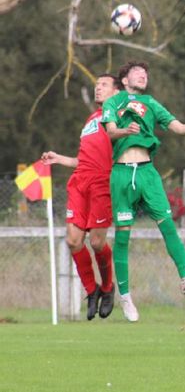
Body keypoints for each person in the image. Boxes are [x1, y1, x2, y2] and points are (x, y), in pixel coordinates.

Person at [101, 61, 185, 322]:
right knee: (122, 238)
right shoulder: (113, 102)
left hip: (147, 173)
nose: (143, 75)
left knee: (167, 225)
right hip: (121, 175)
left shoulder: (151, 103)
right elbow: (110, 132)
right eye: (137, 72)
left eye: (146, 73)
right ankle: (125, 297)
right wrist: (125, 130)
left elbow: (177, 127)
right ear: (124, 80)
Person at [41, 74, 120, 321]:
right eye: (96, 85)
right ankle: (92, 290)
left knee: (97, 243)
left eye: (104, 85)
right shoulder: (92, 118)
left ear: (117, 92)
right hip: (80, 181)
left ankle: (108, 288)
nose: (98, 88)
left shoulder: (119, 115)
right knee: (73, 241)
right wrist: (60, 159)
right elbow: (83, 158)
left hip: (102, 182)